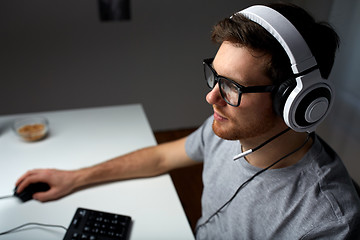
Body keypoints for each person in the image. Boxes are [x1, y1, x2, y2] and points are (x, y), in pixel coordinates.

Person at [15, 3, 360, 239]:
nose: (211, 98)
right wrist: (74, 178)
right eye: (215, 76)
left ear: (295, 102)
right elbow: (162, 157)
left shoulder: (324, 221)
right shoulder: (229, 130)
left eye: (232, 87)